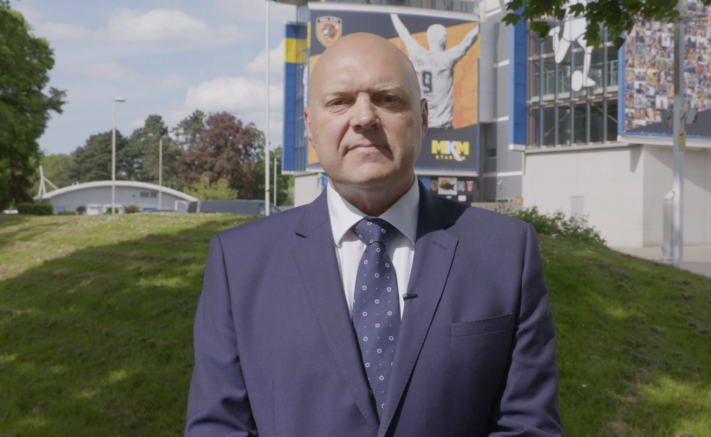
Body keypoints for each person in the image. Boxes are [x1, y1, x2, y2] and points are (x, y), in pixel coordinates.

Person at [185, 32, 562, 437]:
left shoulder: (506, 251)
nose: (364, 118)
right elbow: (218, 427)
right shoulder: (238, 261)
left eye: (387, 99)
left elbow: (528, 426)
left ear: (422, 118)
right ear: (310, 127)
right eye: (339, 102)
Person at [390, 14, 478, 130]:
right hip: (443, 125)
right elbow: (468, 40)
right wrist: (480, 26)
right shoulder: (447, 58)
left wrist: (393, 14)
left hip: (422, 125)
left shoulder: (418, 54)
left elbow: (404, 34)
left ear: (428, 39)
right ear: (444, 40)